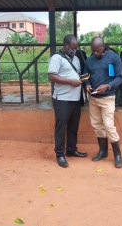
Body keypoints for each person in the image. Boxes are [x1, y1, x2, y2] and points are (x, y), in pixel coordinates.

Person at [48, 34, 88, 168]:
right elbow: (52, 76)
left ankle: (71, 150)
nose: (74, 51)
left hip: (75, 99)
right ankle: (60, 154)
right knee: (61, 127)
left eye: (75, 49)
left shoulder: (76, 59)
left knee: (73, 126)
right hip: (62, 99)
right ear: (65, 46)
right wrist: (70, 81)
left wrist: (83, 79)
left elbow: (76, 74)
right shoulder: (56, 58)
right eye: (72, 48)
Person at [84, 37, 122, 168]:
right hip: (94, 99)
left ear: (104, 47)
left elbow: (120, 77)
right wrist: (87, 84)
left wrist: (108, 86)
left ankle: (117, 155)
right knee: (96, 125)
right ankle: (103, 151)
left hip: (108, 98)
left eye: (98, 50)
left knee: (108, 125)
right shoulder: (89, 60)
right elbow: (85, 75)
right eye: (93, 50)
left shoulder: (114, 57)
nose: (95, 53)